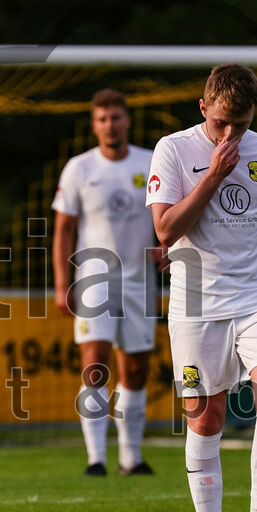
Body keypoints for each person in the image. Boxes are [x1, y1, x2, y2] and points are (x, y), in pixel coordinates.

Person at [147, 63, 257, 512]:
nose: (231, 133)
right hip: (196, 304)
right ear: (204, 107)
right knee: (205, 419)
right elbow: (165, 230)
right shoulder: (173, 149)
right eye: (222, 122)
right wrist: (212, 177)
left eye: (243, 123)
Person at [52, 89, 158, 477]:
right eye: (102, 119)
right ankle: (95, 458)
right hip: (94, 279)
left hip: (140, 280)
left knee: (135, 370)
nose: (110, 125)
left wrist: (165, 246)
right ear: (94, 125)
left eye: (115, 117)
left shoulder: (150, 163)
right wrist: (63, 281)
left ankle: (131, 457)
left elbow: (168, 217)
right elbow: (64, 227)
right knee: (94, 365)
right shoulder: (79, 168)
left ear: (127, 120)